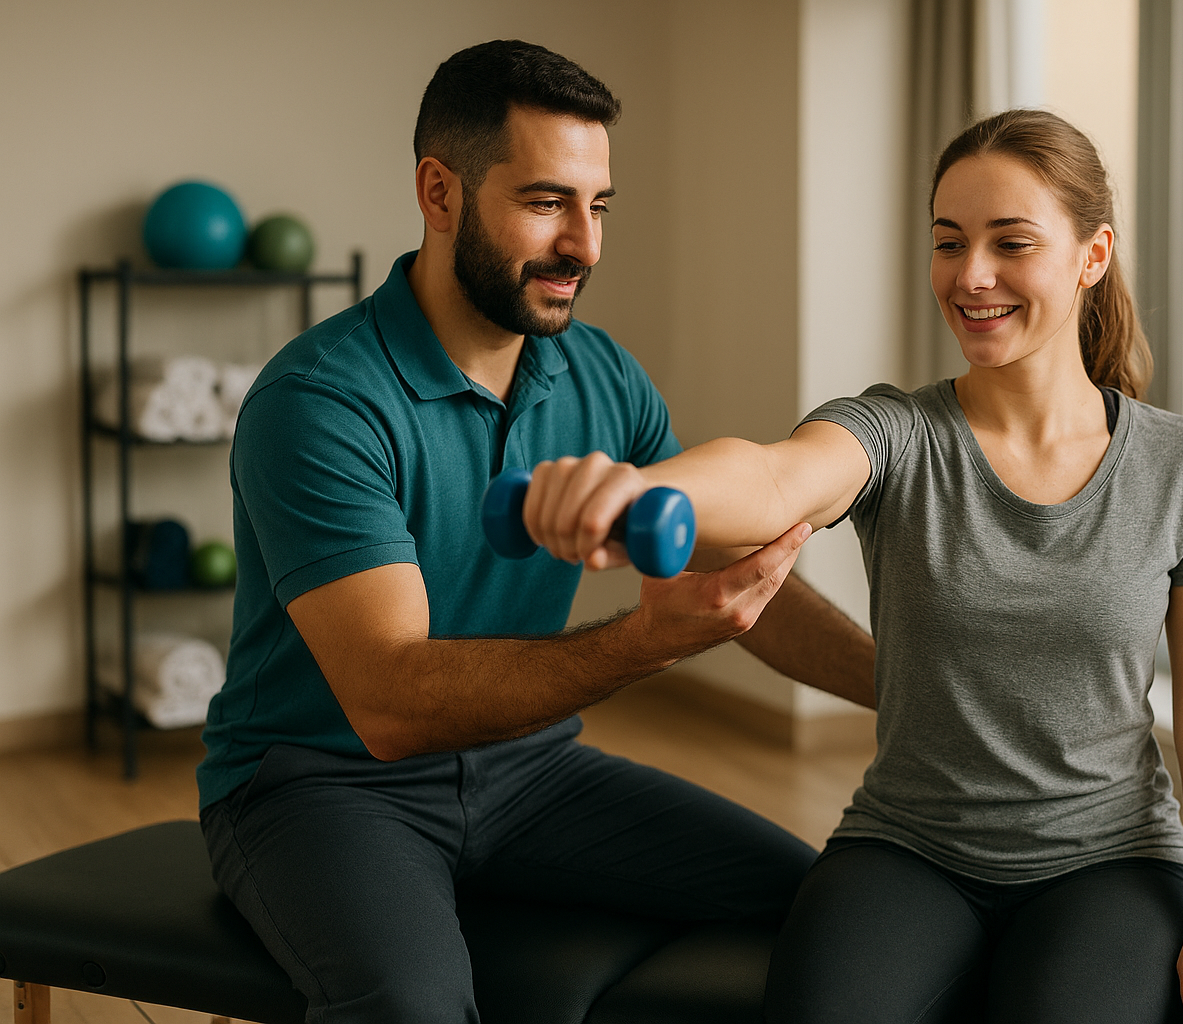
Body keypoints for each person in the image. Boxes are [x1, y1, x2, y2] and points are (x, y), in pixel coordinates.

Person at [523, 108, 1183, 1024]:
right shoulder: (897, 432)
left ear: (1092, 256)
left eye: (1012, 243)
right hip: (910, 847)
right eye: (949, 242)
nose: (971, 276)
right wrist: (642, 489)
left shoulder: (1179, 464)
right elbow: (774, 476)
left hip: (1111, 858)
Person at [195, 39, 875, 1024]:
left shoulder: (603, 374)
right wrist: (644, 643)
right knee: (413, 1007)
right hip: (319, 785)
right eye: (548, 202)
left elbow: (732, 575)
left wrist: (903, 685)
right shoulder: (320, 400)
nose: (585, 245)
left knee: (822, 907)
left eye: (599, 207)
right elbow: (390, 705)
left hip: (529, 769)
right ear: (440, 192)